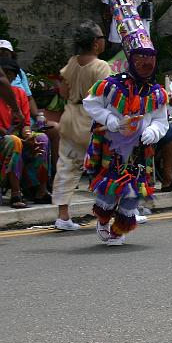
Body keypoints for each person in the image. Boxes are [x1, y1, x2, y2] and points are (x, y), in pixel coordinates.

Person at [82, 0, 167, 246]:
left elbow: (161, 120)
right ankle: (103, 221)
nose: (146, 64)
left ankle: (120, 228)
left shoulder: (156, 92)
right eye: (141, 59)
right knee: (108, 192)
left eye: (150, 59)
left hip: (140, 149)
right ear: (131, 59)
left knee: (132, 193)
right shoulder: (112, 84)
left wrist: (152, 132)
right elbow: (90, 104)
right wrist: (111, 120)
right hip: (113, 146)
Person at [52, 21, 112, 230]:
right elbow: (107, 97)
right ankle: (118, 211)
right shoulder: (101, 66)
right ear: (96, 43)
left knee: (67, 166)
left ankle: (63, 216)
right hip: (90, 118)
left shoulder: (72, 62)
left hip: (69, 115)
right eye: (102, 38)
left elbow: (63, 92)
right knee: (108, 165)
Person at [0, 58, 50, 209]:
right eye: (9, 74)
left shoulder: (20, 94)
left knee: (42, 138)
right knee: (14, 141)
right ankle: (16, 193)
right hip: (5, 137)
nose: (12, 78)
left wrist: (28, 135)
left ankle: (40, 190)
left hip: (16, 135)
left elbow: (25, 124)